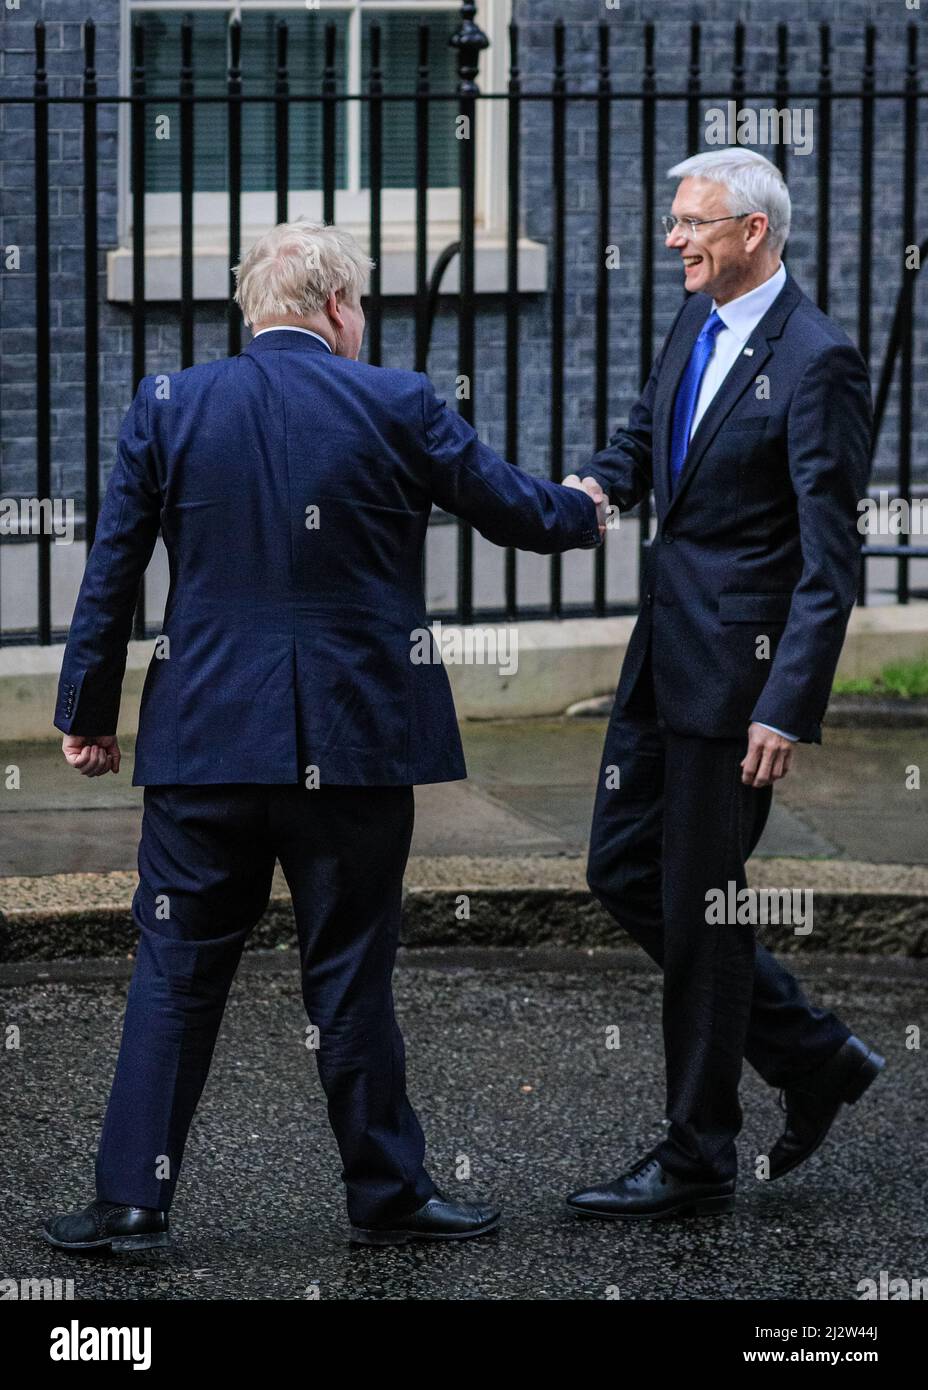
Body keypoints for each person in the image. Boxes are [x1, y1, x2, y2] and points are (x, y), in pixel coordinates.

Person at [43, 218, 605, 1253]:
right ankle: (387, 1193)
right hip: (353, 744)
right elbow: (517, 513)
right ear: (340, 306)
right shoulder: (397, 401)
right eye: (361, 308)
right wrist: (590, 503)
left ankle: (130, 1201)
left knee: (174, 967)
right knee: (348, 966)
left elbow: (111, 570)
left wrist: (87, 712)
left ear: (253, 309)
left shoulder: (169, 405)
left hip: (204, 741)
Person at [565, 149, 884, 1222]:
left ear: (754, 231)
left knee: (702, 907)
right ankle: (812, 1053)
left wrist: (786, 702)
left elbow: (829, 556)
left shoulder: (818, 361)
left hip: (737, 685)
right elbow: (650, 435)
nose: (672, 239)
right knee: (619, 868)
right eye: (671, 220)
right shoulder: (697, 322)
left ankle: (697, 1151)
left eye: (691, 222)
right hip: (664, 660)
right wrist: (600, 483)